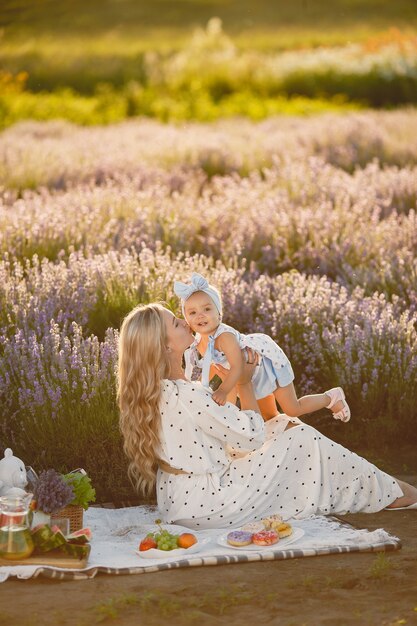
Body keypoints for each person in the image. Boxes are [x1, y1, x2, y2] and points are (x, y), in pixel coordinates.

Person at [117, 302, 417, 530]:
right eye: (176, 322)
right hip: (208, 503)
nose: (185, 322)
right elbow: (251, 436)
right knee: (302, 438)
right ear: (167, 345)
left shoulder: (159, 389)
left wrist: (230, 385)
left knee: (281, 424)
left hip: (177, 500)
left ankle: (381, 487)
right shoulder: (188, 394)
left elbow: (221, 429)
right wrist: (244, 381)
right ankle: (389, 493)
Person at [174, 272, 350, 422]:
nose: (200, 316)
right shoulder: (199, 341)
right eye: (192, 312)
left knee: (292, 409)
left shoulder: (224, 337)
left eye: (206, 309)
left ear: (219, 313)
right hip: (249, 375)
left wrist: (223, 391)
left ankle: (331, 397)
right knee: (268, 417)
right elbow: (218, 372)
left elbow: (236, 367)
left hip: (267, 365)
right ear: (186, 319)